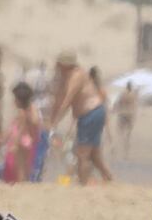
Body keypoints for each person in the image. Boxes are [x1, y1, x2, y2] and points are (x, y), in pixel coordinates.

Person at [46, 51, 113, 185]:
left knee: (82, 154)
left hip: (91, 113)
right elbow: (58, 99)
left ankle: (83, 185)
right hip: (91, 114)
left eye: (59, 65)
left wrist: (55, 122)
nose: (56, 67)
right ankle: (109, 179)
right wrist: (51, 120)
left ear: (65, 65)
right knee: (94, 155)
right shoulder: (66, 77)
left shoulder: (76, 75)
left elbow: (67, 100)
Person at [2, 82, 45, 185]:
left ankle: (22, 187)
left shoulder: (22, 112)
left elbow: (20, 130)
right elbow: (36, 123)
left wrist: (15, 144)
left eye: (15, 98)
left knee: (20, 169)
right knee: (26, 167)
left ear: (19, 100)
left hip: (21, 141)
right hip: (29, 140)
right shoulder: (31, 108)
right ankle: (24, 185)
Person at [114, 81, 141, 159]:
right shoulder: (133, 95)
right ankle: (126, 153)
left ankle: (119, 149)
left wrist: (115, 109)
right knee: (128, 135)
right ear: (131, 87)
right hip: (130, 114)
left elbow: (118, 103)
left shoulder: (123, 94)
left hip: (122, 113)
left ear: (126, 87)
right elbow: (135, 105)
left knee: (120, 132)